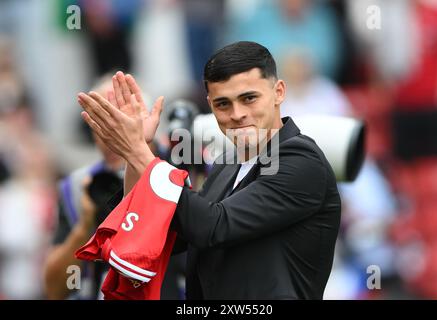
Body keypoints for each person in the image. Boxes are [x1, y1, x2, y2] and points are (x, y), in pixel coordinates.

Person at [77, 41, 341, 299]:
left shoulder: (302, 160)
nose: (237, 114)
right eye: (223, 104)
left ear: (279, 92)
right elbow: (164, 233)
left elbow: (215, 226)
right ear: (210, 104)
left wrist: (138, 152)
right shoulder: (227, 165)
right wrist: (138, 151)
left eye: (249, 98)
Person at [44, 76, 125, 300]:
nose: (110, 129)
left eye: (120, 116)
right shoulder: (78, 187)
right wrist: (84, 228)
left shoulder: (171, 174)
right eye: (100, 118)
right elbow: (57, 289)